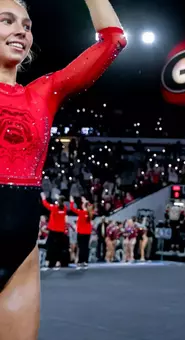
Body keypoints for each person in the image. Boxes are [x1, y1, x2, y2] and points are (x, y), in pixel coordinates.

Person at [0, 0, 126, 338]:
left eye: (26, 25)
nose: (21, 31)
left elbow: (113, 41)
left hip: (21, 256)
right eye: (7, 20)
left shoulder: (41, 94)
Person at [41, 193, 67, 270]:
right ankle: (57, 262)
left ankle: (49, 262)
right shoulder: (64, 208)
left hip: (53, 231)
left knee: (51, 246)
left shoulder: (54, 208)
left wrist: (43, 198)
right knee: (58, 247)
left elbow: (45, 204)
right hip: (61, 231)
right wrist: (58, 198)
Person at [70, 196, 94, 269]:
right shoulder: (90, 213)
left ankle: (81, 261)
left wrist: (71, 201)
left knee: (81, 247)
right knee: (86, 247)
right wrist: (86, 201)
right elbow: (90, 206)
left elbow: (72, 208)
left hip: (81, 233)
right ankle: (85, 261)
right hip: (87, 233)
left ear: (83, 205)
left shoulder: (81, 212)